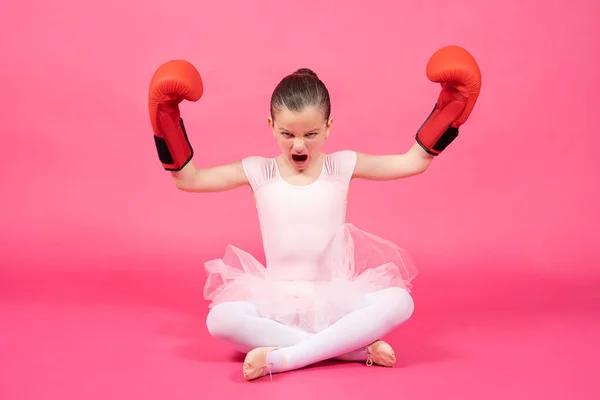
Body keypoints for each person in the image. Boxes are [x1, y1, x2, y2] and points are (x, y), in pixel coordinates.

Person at [147, 45, 482, 381]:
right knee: (220, 320)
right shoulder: (259, 171)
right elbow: (188, 179)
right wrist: (167, 119)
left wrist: (449, 109)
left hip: (333, 297)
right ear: (270, 125)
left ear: (329, 126)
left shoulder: (341, 165)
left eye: (311, 134)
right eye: (287, 134)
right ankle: (351, 351)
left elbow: (413, 161)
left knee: (400, 302)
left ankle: (286, 357)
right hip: (275, 297)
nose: (298, 146)